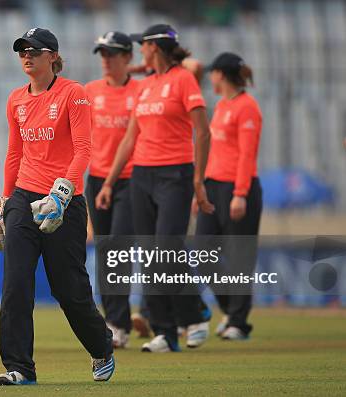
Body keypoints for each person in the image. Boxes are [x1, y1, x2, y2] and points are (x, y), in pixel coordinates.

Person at [0, 27, 115, 385]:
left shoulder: (73, 94)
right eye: (22, 51)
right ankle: (19, 368)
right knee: (15, 285)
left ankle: (101, 347)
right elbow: (15, 152)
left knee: (68, 289)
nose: (27, 56)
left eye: (34, 50)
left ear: (53, 57)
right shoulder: (15, 99)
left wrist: (63, 191)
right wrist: (5, 200)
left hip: (64, 201)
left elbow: (83, 149)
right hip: (23, 199)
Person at [95, 24, 214, 352]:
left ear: (156, 48)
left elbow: (203, 132)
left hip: (175, 174)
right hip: (141, 175)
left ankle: (194, 314)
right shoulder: (145, 86)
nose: (140, 49)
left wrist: (199, 180)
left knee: (167, 248)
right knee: (150, 255)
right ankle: (165, 331)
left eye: (143, 45)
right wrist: (108, 182)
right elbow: (130, 138)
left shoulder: (183, 80)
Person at [195, 52, 262, 340]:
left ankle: (238, 321)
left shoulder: (248, 107)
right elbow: (215, 152)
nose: (210, 77)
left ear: (221, 74)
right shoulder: (222, 106)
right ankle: (228, 309)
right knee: (203, 253)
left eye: (213, 73)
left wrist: (240, 193)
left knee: (239, 258)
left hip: (238, 188)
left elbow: (247, 154)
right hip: (214, 187)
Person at [84, 31, 142, 348]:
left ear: (128, 57)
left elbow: (192, 67)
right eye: (102, 54)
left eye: (113, 54)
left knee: (118, 247)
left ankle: (119, 322)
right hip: (98, 178)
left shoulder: (143, 90)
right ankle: (115, 320)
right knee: (107, 251)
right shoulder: (91, 91)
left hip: (133, 179)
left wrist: (139, 70)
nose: (105, 60)